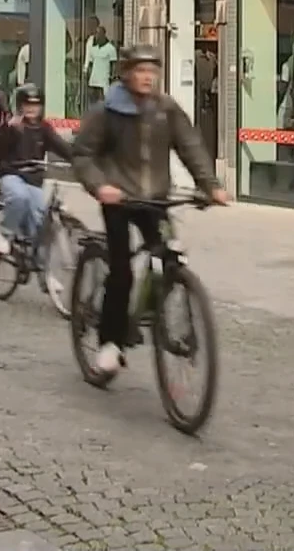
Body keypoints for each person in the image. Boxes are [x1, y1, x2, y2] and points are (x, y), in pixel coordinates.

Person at [71, 44, 229, 376]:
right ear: (127, 73)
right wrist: (101, 186)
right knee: (122, 271)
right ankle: (110, 342)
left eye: (152, 71)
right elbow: (83, 154)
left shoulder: (165, 109)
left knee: (170, 253)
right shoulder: (107, 111)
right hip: (119, 199)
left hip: (154, 198)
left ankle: (161, 312)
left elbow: (191, 146)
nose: (147, 77)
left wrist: (211, 185)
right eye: (140, 70)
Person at [0, 84, 73, 267]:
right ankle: (4, 233)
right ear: (20, 106)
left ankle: (42, 269)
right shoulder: (13, 125)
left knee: (39, 214)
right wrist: (8, 130)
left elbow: (62, 147)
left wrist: (80, 159)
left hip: (34, 178)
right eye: (28, 105)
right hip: (10, 173)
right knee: (19, 197)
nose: (32, 109)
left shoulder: (44, 128)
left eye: (36, 105)